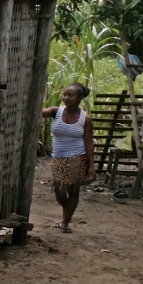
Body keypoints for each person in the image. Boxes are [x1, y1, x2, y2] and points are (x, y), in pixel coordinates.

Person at [42, 82, 95, 233]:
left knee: (73, 190)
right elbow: (38, 112)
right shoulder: (56, 111)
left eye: (70, 95)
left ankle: (65, 222)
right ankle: (68, 210)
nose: (66, 97)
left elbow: (89, 142)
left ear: (80, 98)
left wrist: (91, 166)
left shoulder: (85, 119)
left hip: (77, 158)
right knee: (59, 191)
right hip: (58, 157)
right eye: (64, 94)